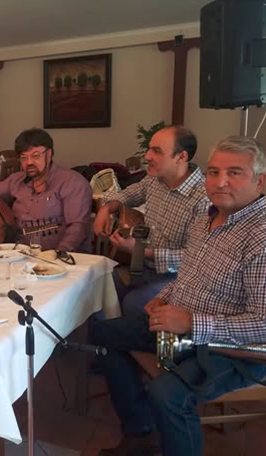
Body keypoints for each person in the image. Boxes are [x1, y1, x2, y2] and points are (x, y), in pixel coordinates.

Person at [92, 135, 266, 456]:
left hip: (236, 349)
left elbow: (263, 325)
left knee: (168, 394)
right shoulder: (206, 218)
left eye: (235, 173)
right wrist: (164, 296)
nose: (220, 182)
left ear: (260, 182)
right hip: (182, 327)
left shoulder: (260, 236)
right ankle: (140, 434)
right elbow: (188, 274)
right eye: (213, 172)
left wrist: (191, 323)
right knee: (104, 334)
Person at [94, 125, 210, 315]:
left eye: (157, 151)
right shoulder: (154, 180)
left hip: (179, 278)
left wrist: (142, 251)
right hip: (145, 268)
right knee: (97, 284)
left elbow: (197, 258)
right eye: (149, 149)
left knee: (133, 303)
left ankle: (127, 332)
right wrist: (106, 209)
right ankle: (107, 333)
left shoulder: (204, 198)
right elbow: (127, 195)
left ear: (181, 157)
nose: (147, 156)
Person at [0, 128, 92, 252]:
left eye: (35, 155)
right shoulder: (16, 180)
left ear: (49, 154)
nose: (29, 162)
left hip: (64, 258)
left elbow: (77, 228)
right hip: (20, 255)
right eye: (23, 157)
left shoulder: (72, 182)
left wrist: (58, 254)